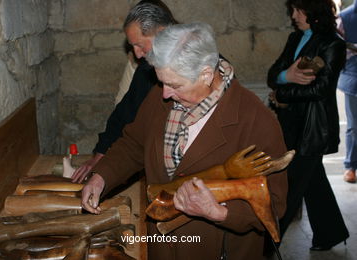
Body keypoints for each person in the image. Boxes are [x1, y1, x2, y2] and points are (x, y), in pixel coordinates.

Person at [82, 22, 288, 260]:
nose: (165, 93)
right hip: (162, 246)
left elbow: (274, 204)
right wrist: (101, 177)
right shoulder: (163, 98)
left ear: (206, 74)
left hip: (216, 250)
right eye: (162, 82)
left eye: (174, 85)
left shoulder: (254, 120)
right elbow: (134, 144)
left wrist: (219, 212)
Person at [267, 0, 349, 251]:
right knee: (314, 182)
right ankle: (330, 233)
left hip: (313, 128)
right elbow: (273, 75)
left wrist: (282, 94)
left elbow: (321, 89)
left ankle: (266, 244)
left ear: (313, 12)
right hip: (291, 123)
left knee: (290, 185)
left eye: (298, 10)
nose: (293, 15)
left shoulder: (333, 43)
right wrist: (286, 77)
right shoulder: (295, 38)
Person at [71, 0, 178, 183]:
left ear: (161, 33)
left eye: (140, 45)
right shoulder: (147, 69)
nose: (137, 54)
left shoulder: (207, 66)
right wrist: (102, 155)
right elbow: (126, 116)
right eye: (133, 46)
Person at [337, 0, 357, 183]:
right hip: (354, 78)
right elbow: (337, 49)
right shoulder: (345, 17)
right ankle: (351, 166)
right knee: (354, 126)